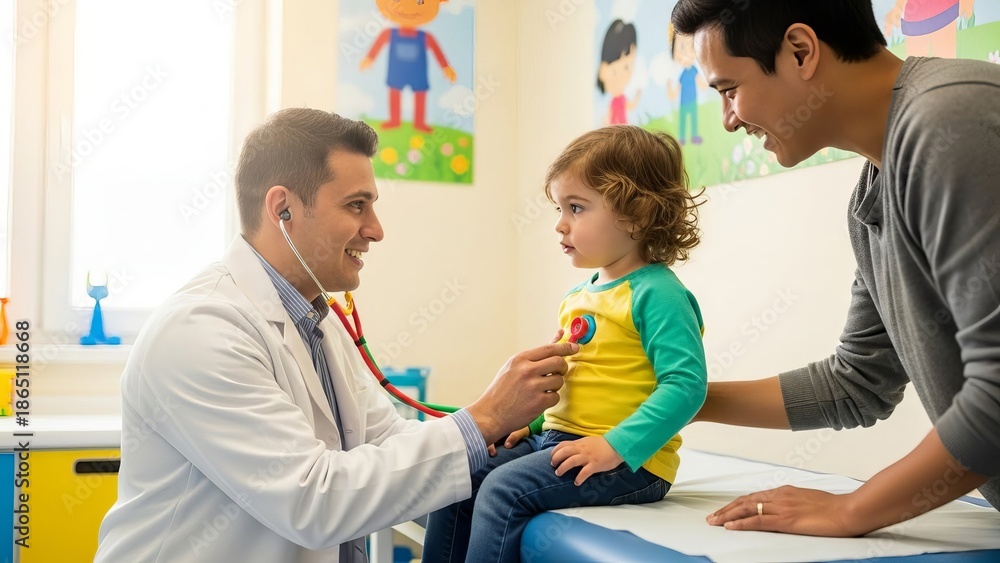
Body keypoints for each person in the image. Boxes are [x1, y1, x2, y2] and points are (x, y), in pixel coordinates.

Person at [94, 108, 577, 562]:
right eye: (356, 206)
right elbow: (312, 499)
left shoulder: (316, 321)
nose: (376, 230)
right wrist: (484, 418)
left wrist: (500, 440)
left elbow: (387, 440)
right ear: (282, 209)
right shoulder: (200, 330)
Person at [669, 0, 1000, 537]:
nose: (729, 119)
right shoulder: (871, 195)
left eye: (729, 90)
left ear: (800, 51)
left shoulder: (949, 120)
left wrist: (852, 509)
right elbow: (858, 382)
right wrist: (683, 398)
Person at [423, 125, 708, 562]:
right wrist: (531, 426)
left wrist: (614, 446)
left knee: (503, 489)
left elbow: (686, 386)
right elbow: (572, 390)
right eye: (559, 208)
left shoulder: (658, 293)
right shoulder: (579, 297)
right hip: (559, 441)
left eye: (576, 208)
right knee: (460, 471)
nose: (560, 224)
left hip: (633, 464)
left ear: (637, 215)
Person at [359, 0, 457, 132]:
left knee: (420, 95)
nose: (408, 8)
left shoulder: (425, 37)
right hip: (397, 72)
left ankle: (419, 122)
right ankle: (394, 120)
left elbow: (437, 51)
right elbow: (378, 44)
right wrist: (369, 58)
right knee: (395, 93)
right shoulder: (389, 34)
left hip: (418, 73)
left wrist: (446, 67)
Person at [597, 19, 643, 125]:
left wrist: (637, 96)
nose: (624, 76)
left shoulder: (623, 99)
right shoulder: (614, 101)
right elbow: (609, 114)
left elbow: (630, 106)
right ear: (603, 70)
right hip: (614, 130)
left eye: (628, 68)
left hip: (623, 130)